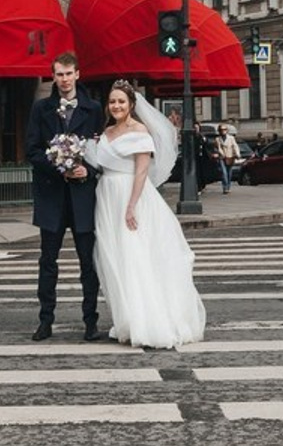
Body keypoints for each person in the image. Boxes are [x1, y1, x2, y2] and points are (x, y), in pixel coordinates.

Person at [88, 80, 205, 348]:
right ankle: (127, 319)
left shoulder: (140, 131)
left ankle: (148, 321)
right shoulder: (105, 132)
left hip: (131, 197)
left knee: (135, 258)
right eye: (112, 101)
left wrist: (131, 205)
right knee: (115, 259)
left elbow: (141, 171)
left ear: (131, 104)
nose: (116, 106)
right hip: (107, 197)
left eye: (121, 101)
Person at [26, 51, 105, 341]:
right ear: (53, 76)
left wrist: (89, 171)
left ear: (77, 74)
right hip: (51, 196)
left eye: (68, 73)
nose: (64, 79)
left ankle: (90, 323)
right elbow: (32, 150)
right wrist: (60, 168)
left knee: (88, 262)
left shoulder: (94, 108)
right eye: (59, 74)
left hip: (84, 198)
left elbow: (103, 152)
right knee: (47, 261)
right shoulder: (41, 109)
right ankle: (45, 320)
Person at [214, 122, 240, 193]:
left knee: (229, 173)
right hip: (222, 158)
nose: (223, 131)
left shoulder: (231, 138)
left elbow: (235, 146)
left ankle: (228, 186)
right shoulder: (217, 139)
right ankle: (225, 188)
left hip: (230, 157)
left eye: (224, 129)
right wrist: (221, 154)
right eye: (221, 130)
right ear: (219, 131)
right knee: (224, 173)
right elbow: (218, 148)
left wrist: (237, 154)